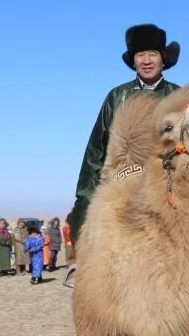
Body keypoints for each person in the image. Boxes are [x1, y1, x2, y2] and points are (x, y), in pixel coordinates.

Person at [67, 24, 181, 248]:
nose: (146, 60)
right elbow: (96, 150)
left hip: (168, 181)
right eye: (140, 54)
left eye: (152, 54)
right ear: (133, 60)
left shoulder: (178, 96)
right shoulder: (116, 96)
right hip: (122, 180)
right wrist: (85, 195)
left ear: (163, 59)